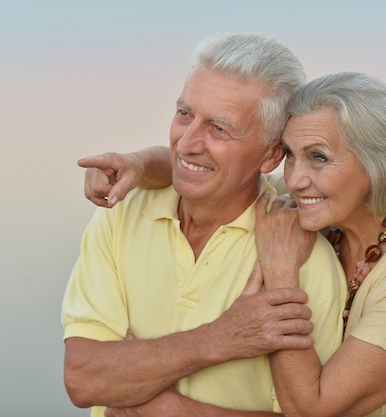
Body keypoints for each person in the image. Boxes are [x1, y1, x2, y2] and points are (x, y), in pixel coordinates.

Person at [96, 72, 386, 416]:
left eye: (318, 157)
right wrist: (138, 165)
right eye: (290, 156)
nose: (296, 179)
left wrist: (282, 275)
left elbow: (311, 408)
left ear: (378, 165)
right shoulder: (314, 203)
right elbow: (218, 169)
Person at [62, 33, 347, 417]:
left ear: (271, 155)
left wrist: (158, 399)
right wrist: (221, 338)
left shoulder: (303, 262)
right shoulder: (120, 215)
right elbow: (83, 379)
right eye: (184, 114)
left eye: (219, 128)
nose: (186, 143)